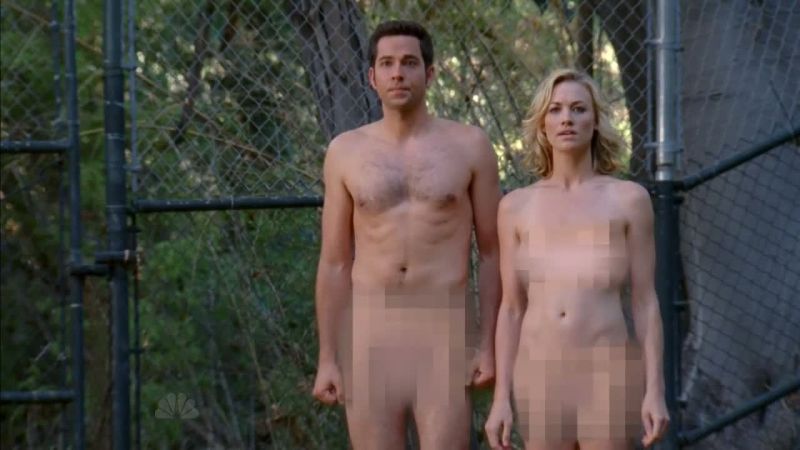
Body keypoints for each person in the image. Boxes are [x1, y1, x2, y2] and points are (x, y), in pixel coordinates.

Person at [311, 20, 501, 450]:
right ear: (371, 77)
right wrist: (328, 358)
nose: (398, 73)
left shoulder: (470, 146)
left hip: (442, 330)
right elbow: (335, 262)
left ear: (429, 74)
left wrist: (487, 346)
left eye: (410, 63)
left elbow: (493, 254)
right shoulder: (345, 151)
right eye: (387, 64)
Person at [484, 68, 670, 450]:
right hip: (539, 376)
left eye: (578, 109)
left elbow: (645, 302)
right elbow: (512, 308)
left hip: (607, 373)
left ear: (596, 121)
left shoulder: (629, 200)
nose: (566, 118)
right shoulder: (515, 207)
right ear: (542, 124)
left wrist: (655, 389)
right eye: (555, 110)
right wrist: (501, 397)